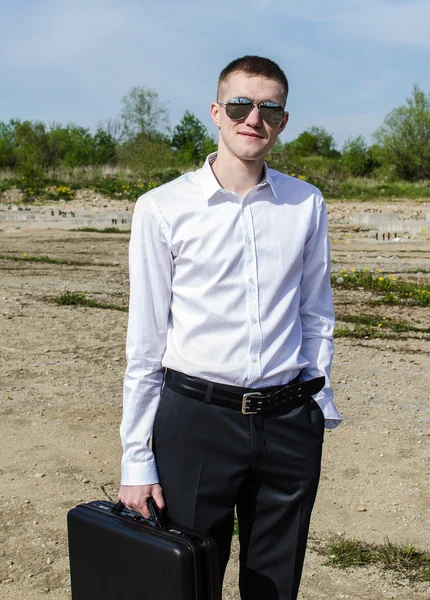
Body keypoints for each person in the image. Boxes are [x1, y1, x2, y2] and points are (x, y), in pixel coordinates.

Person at [118, 55, 342, 600]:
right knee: (189, 582)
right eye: (241, 105)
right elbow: (146, 341)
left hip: (288, 420)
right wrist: (135, 457)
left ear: (283, 121)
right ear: (217, 112)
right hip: (195, 421)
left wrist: (316, 402)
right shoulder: (161, 208)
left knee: (276, 584)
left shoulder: (305, 203)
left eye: (269, 108)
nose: (253, 119)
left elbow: (316, 312)